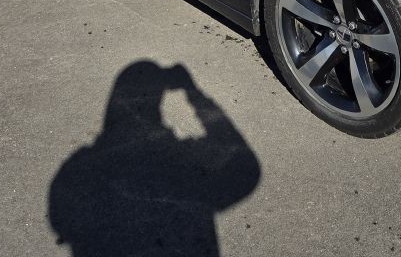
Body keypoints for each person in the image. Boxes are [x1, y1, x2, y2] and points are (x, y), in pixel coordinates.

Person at [48, 61, 261, 256]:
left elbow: (61, 220)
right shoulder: (181, 163)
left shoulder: (77, 167)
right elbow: (246, 169)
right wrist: (193, 92)